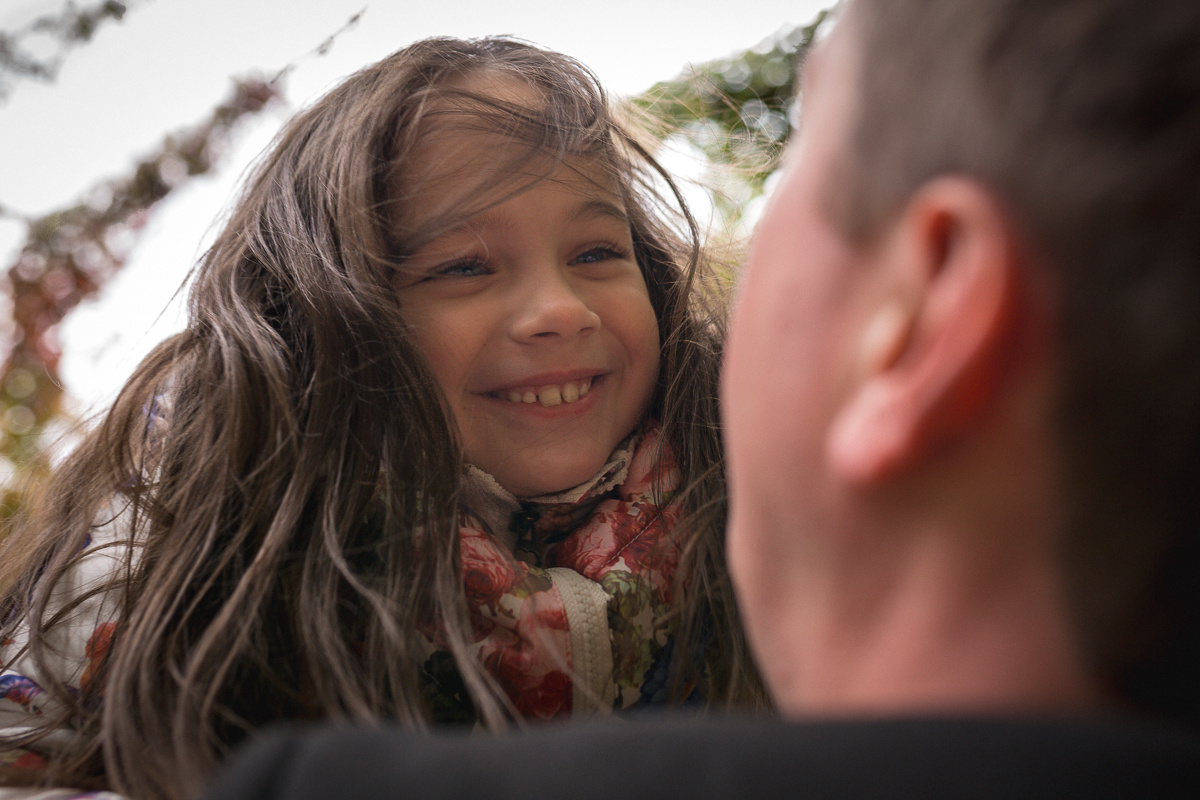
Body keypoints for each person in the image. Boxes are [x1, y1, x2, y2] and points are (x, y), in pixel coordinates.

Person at [197, 0, 1200, 797]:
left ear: (925, 319)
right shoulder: (225, 578)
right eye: (462, 265)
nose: (558, 309)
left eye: (806, 153)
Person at [0, 37, 764, 800]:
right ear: (326, 325)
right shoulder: (203, 521)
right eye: (465, 266)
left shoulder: (746, 504)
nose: (562, 310)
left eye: (597, 251)